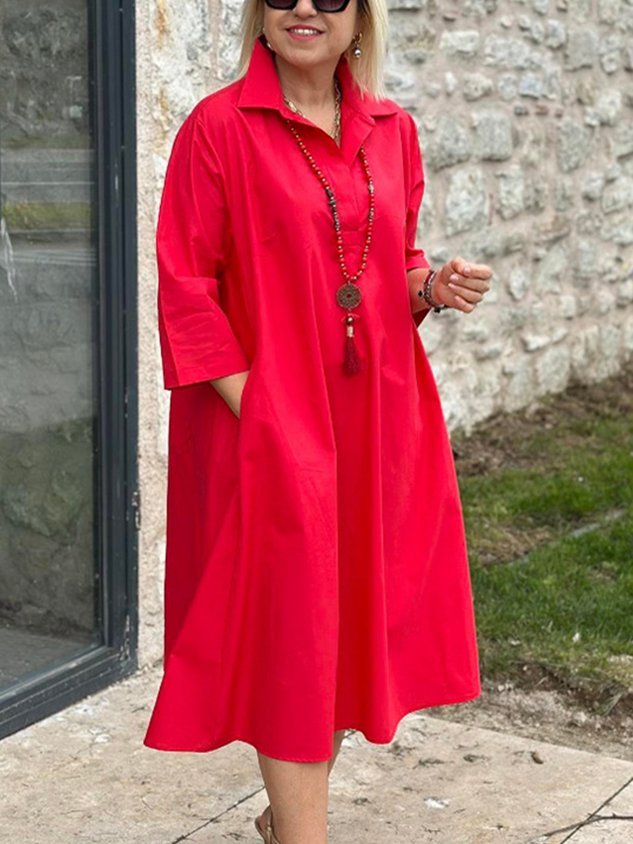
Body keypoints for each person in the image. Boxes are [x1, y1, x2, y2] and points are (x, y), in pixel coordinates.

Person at [143, 1, 493, 842]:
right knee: (292, 633)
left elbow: (387, 264)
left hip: (376, 418)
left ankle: (284, 821)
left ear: (358, 19)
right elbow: (187, 290)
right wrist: (263, 416)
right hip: (264, 418)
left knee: (351, 625)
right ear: (259, 18)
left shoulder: (392, 130)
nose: (305, 7)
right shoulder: (217, 129)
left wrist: (428, 287)